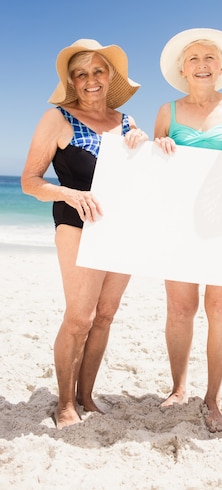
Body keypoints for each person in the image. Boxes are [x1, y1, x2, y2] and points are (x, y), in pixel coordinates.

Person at [21, 38, 148, 429]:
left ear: (109, 76)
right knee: (79, 317)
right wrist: (69, 193)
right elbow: (29, 181)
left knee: (105, 316)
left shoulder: (127, 122)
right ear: (73, 82)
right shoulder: (57, 119)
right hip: (76, 224)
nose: (90, 79)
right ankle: (64, 404)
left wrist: (145, 147)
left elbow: (146, 176)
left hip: (122, 228)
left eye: (97, 71)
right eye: (81, 74)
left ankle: (87, 396)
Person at [154, 28, 222, 431]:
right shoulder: (168, 111)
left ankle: (212, 397)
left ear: (221, 67)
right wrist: (155, 146)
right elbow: (151, 171)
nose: (202, 65)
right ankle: (178, 388)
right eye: (194, 58)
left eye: (210, 58)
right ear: (183, 68)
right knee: (180, 309)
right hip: (179, 225)